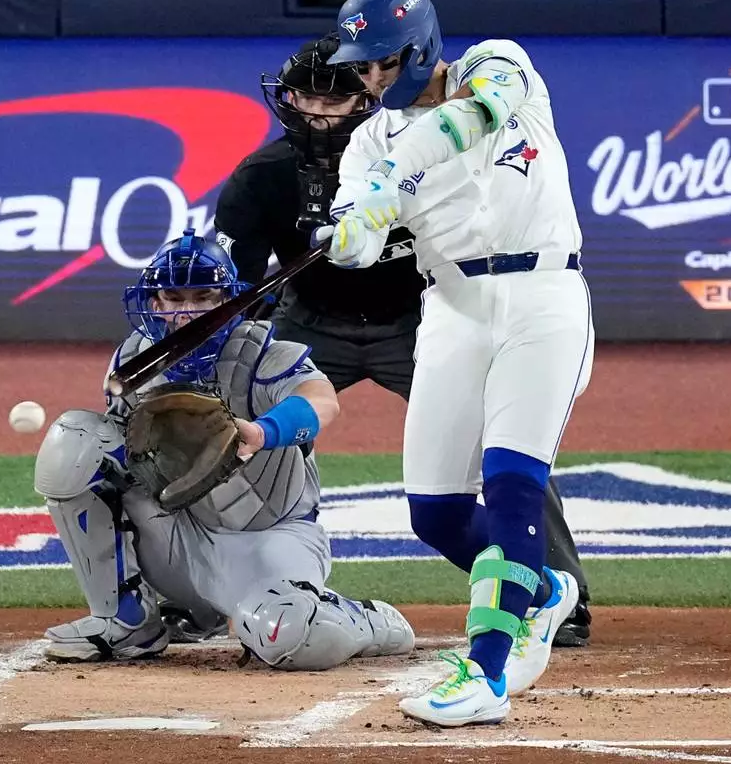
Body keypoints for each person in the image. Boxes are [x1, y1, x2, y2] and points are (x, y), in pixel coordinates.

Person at [213, 32, 594, 650]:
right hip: (312, 320)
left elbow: (464, 137)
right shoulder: (269, 174)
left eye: (332, 100)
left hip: (415, 318)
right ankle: (212, 585)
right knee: (235, 418)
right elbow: (237, 283)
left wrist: (389, 184)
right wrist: (349, 238)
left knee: (509, 442)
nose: (316, 113)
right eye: (305, 99)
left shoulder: (423, 132)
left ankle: (559, 592)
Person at [316, 0, 595, 726]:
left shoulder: (496, 64)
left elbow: (473, 117)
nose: (373, 79)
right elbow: (360, 239)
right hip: (452, 309)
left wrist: (393, 178)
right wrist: (349, 232)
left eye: (384, 62)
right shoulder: (367, 144)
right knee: (435, 513)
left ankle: (487, 674)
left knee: (511, 485)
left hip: (543, 297)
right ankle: (543, 589)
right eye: (363, 67)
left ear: (420, 48)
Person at [31, 230, 415, 671]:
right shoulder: (135, 360)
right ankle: (126, 621)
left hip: (268, 541)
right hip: (178, 535)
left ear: (227, 301)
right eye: (174, 298)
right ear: (154, 303)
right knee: (75, 443)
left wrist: (264, 432)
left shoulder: (263, 353)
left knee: (291, 636)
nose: (187, 311)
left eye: (203, 297)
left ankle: (367, 620)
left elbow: (321, 401)